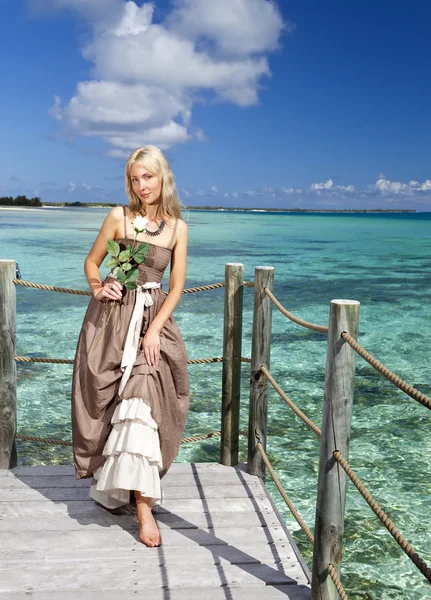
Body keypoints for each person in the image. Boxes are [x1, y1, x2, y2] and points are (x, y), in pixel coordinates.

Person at [71, 145, 190, 548]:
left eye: (149, 177)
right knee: (114, 402)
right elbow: (92, 262)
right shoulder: (118, 217)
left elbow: (176, 287)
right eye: (135, 179)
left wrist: (155, 329)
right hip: (113, 320)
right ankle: (121, 490)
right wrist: (98, 285)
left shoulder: (177, 227)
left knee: (142, 402)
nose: (142, 186)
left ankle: (143, 508)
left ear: (163, 177)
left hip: (152, 322)